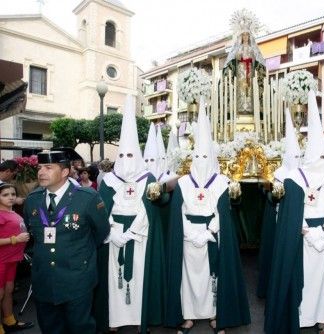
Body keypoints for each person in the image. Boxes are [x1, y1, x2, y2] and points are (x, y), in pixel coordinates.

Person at [265, 91, 324, 334]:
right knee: (305, 281)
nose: (323, 160)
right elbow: (290, 215)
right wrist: (308, 232)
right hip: (301, 240)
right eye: (319, 155)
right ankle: (301, 318)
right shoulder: (293, 179)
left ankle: (323, 319)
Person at [165, 97, 250, 334]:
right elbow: (178, 211)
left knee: (214, 276)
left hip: (212, 237)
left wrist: (209, 231)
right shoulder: (182, 182)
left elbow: (223, 212)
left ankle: (214, 314)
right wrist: (191, 234)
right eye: (198, 157)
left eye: (205, 157)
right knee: (189, 277)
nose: (202, 161)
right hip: (188, 238)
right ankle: (189, 315)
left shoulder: (222, 183)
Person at [95, 95, 168, 334]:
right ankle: (114, 321)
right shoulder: (108, 180)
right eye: (122, 156)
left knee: (139, 277)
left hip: (140, 237)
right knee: (113, 279)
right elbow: (100, 209)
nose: (126, 161)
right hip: (114, 237)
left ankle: (139, 317)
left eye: (130, 155)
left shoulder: (147, 179)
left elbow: (151, 209)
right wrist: (114, 233)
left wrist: (133, 231)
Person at [23, 150, 110, 334]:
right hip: (44, 278)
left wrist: (78, 252)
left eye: (48, 167)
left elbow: (101, 231)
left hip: (77, 277)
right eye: (39, 168)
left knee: (81, 327)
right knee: (50, 327)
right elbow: (32, 234)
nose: (41, 172)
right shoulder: (32, 199)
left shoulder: (87, 197)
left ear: (64, 172)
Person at [256, 108, 301, 299]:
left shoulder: (305, 174)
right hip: (278, 220)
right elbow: (269, 195)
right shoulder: (279, 173)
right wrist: (274, 195)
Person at [0, 183, 33, 334]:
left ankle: (9, 320)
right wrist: (15, 240)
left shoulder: (13, 213)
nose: (11, 197)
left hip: (12, 260)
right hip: (1, 260)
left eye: (13, 194)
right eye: (5, 195)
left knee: (8, 291)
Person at [223, 9, 266, 114]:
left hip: (250, 73)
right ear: (240, 36)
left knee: (250, 91)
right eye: (243, 35)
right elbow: (231, 62)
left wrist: (253, 59)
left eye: (247, 35)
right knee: (241, 91)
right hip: (241, 72)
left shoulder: (253, 49)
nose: (245, 37)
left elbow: (259, 63)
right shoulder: (237, 48)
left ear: (249, 36)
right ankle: (239, 109)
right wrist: (237, 58)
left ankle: (252, 109)